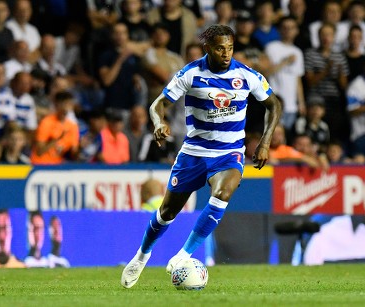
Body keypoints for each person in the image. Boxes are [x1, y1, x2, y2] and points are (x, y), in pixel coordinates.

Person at [120, 24, 282, 288]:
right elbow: (157, 104)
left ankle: (183, 255)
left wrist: (265, 143)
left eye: (230, 48)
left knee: (222, 195)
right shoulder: (191, 73)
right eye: (220, 48)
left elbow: (273, 104)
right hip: (194, 153)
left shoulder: (246, 75)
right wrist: (159, 123)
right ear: (207, 48)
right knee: (166, 212)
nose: (226, 53)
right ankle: (141, 256)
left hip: (229, 153)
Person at [30, 91, 79, 165]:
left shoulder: (73, 126)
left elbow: (74, 154)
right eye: (65, 103)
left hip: (58, 167)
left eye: (70, 104)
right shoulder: (46, 122)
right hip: (40, 165)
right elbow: (39, 152)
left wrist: (81, 147)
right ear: (57, 105)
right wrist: (56, 140)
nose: (67, 107)